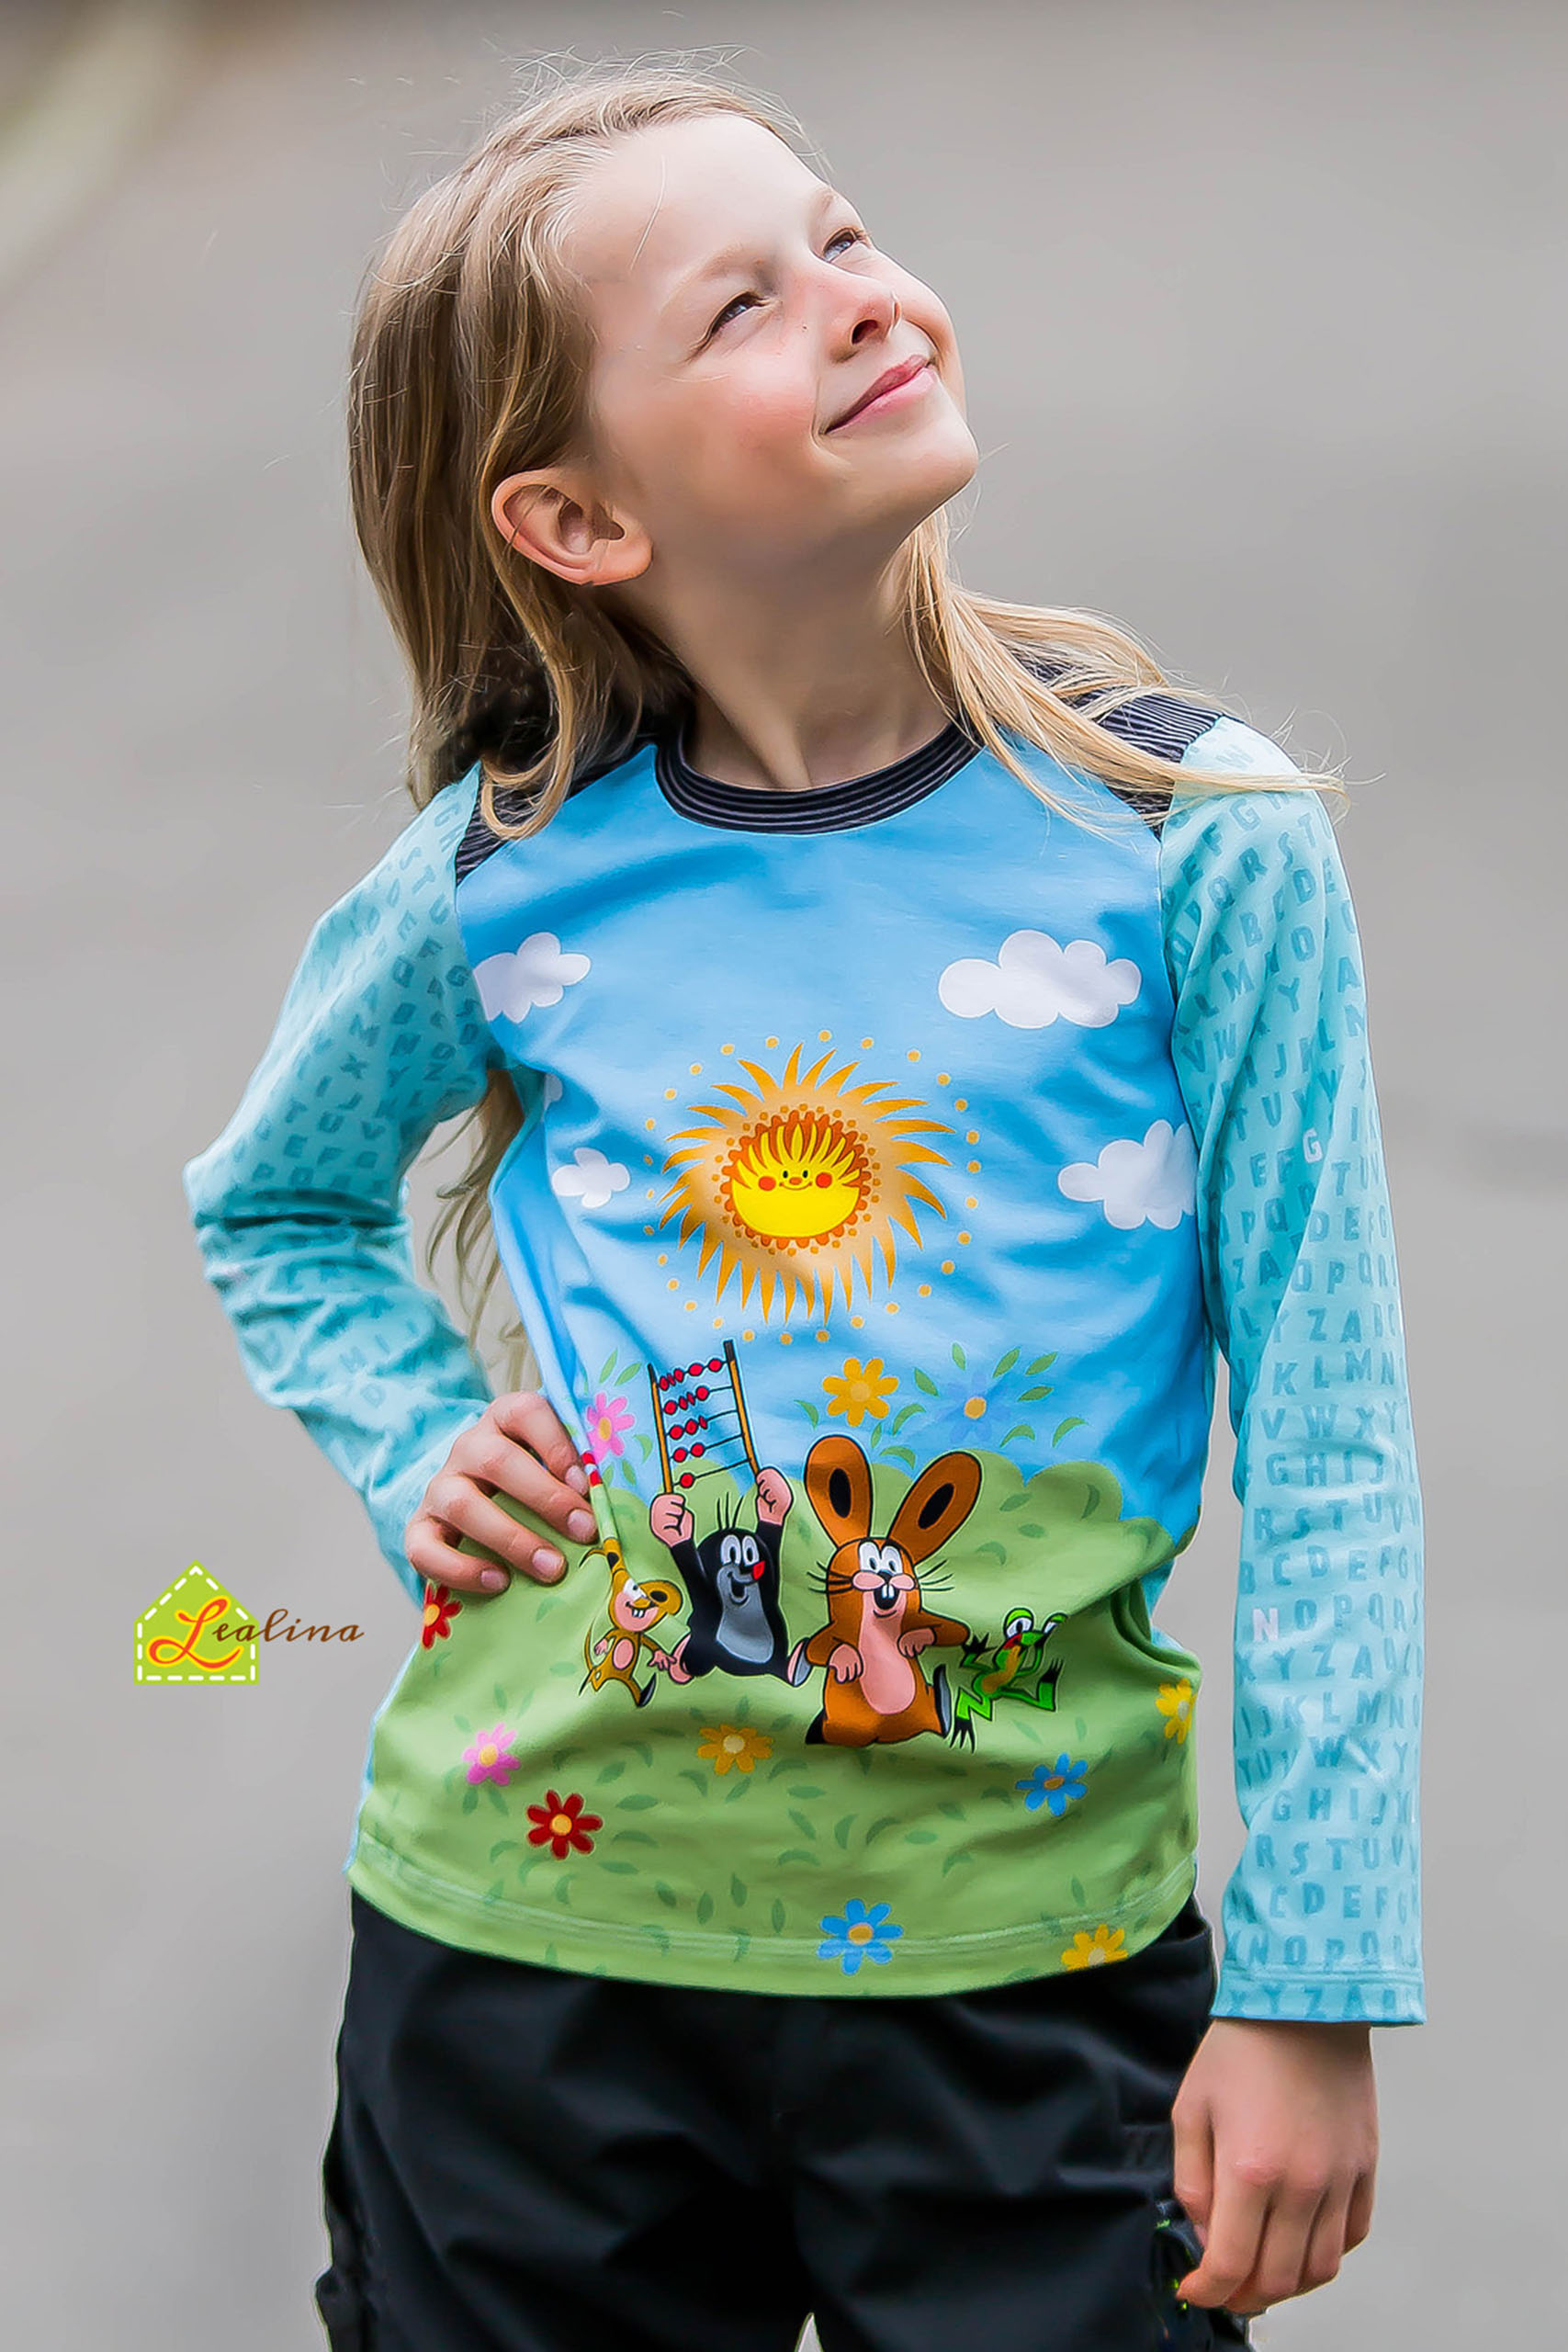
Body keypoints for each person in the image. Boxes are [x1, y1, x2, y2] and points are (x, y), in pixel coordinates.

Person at [182, 64, 1424, 2352]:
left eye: (839, 237)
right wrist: (411, 1434)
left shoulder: (1191, 835)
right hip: (523, 1979)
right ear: (575, 516)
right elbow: (276, 1204)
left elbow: (1330, 1438)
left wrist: (1313, 1973)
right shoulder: (500, 873)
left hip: (1031, 1982)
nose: (855, 300)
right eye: (739, 304)